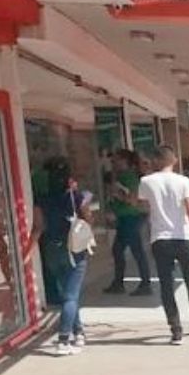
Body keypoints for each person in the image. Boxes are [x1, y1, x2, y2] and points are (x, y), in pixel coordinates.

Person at [138, 146, 189, 345]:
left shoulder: (146, 182)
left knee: (166, 284)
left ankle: (176, 330)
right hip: (184, 237)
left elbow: (144, 207)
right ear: (174, 161)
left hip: (160, 239)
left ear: (154, 161)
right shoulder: (183, 181)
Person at [39, 168, 92, 355]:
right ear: (69, 181)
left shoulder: (42, 200)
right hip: (73, 249)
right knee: (71, 296)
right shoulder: (76, 198)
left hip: (51, 249)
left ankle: (79, 332)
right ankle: (63, 340)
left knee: (67, 293)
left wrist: (27, 250)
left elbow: (38, 226)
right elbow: (88, 218)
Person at [103, 149, 152, 295]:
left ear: (124, 160)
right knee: (118, 250)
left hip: (130, 218)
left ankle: (144, 284)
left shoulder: (129, 177)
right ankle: (119, 283)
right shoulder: (122, 175)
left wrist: (117, 194)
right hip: (125, 218)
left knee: (136, 251)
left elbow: (132, 200)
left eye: (116, 159)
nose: (113, 162)